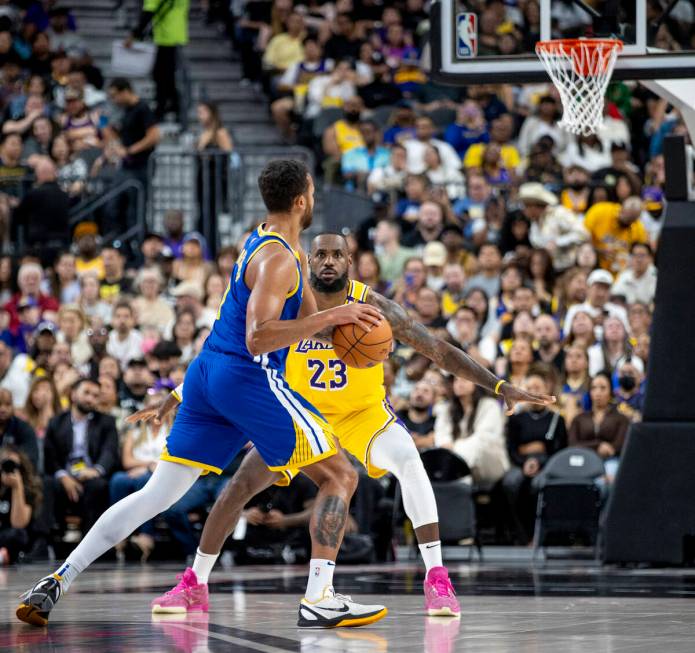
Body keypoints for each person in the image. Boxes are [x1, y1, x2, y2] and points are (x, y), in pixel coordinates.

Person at [16, 160, 388, 629]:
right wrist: (333, 320)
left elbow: (293, 320)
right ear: (301, 201)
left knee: (157, 494)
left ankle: (60, 577)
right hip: (246, 378)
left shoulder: (264, 241)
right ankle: (320, 596)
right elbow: (258, 337)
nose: (314, 201)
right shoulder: (278, 260)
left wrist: (178, 391)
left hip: (210, 375)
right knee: (340, 475)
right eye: (312, 193)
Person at [132, 231, 551, 616]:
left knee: (410, 461)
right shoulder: (286, 306)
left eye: (337, 254)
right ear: (309, 260)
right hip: (300, 415)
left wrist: (499, 386)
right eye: (321, 254)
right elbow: (227, 356)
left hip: (362, 414)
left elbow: (439, 350)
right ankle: (194, 583)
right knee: (239, 486)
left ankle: (436, 578)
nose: (328, 261)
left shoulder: (375, 307)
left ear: (350, 261)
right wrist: (178, 395)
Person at [42, 378, 120, 536]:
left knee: (98, 486)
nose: (90, 398)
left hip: (92, 475)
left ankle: (91, 542)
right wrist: (64, 476)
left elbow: (110, 451)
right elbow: (50, 456)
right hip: (64, 476)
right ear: (73, 395)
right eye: (86, 393)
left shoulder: (106, 422)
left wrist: (96, 470)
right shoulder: (56, 422)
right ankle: (44, 541)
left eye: (95, 395)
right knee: (46, 484)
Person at [502, 370, 567, 543]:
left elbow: (559, 448)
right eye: (528, 388)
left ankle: (542, 535)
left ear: (546, 388)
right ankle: (520, 534)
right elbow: (512, 448)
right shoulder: (516, 418)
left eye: (537, 387)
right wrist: (525, 460)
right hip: (521, 463)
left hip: (547, 464)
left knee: (539, 485)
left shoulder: (556, 419)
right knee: (510, 483)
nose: (532, 391)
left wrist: (537, 458)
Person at [108, 389, 172, 561]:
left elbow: (173, 459)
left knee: (145, 482)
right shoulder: (134, 433)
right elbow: (127, 461)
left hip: (160, 476)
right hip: (136, 472)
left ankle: (146, 535)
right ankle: (118, 533)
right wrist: (147, 465)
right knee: (117, 480)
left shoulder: (172, 431)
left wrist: (150, 468)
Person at [104, 78, 161, 233]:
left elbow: (155, 135)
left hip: (140, 167)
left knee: (135, 212)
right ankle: (122, 247)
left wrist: (130, 150)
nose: (114, 100)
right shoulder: (126, 111)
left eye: (115, 95)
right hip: (127, 166)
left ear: (126, 91)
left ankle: (137, 247)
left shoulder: (143, 108)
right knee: (114, 207)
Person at [433, 377, 508, 484]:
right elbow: (441, 435)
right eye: (456, 380)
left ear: (476, 384)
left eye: (464, 380)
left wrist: (453, 449)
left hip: (488, 464)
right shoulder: (448, 408)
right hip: (454, 462)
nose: (459, 383)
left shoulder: (490, 405)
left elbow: (484, 439)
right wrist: (446, 446)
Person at [568, 372, 630, 482]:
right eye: (594, 388)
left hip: (611, 460)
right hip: (583, 460)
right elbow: (572, 444)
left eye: (603, 388)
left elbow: (620, 445)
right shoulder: (579, 418)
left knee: (605, 481)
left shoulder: (621, 418)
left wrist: (609, 449)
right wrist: (598, 446)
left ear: (610, 392)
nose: (598, 392)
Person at [584, 196, 649, 275]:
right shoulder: (600, 211)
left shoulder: (638, 228)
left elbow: (643, 252)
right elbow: (582, 238)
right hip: (595, 263)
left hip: (620, 270)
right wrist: (599, 251)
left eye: (632, 221)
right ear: (621, 210)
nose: (628, 223)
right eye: (627, 220)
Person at [0, 445, 41, 564]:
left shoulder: (27, 489)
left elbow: (18, 523)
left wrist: (17, 487)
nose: (9, 469)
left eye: (13, 466)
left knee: (18, 534)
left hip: (13, 536)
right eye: (5, 465)